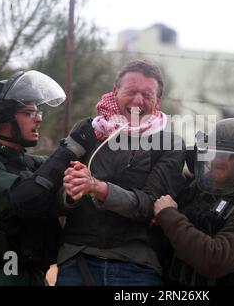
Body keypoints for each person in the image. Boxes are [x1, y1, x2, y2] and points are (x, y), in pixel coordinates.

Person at [0, 70, 91, 285]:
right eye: (28, 112)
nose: (38, 118)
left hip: (33, 276)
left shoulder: (31, 164)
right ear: (4, 117)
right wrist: (69, 149)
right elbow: (25, 199)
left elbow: (57, 187)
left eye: (39, 112)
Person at [56, 60, 186, 286]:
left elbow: (148, 205)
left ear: (158, 101)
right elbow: (56, 194)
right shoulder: (88, 130)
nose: (138, 100)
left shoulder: (170, 144)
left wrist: (96, 187)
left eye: (147, 94)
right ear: (115, 93)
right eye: (131, 91)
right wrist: (71, 191)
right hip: (79, 260)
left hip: (137, 266)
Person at [153, 118, 234, 286]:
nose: (221, 160)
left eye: (232, 156)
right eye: (216, 152)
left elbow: (214, 259)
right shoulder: (194, 190)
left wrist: (169, 216)